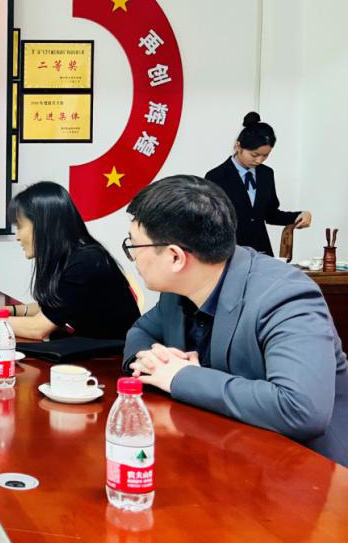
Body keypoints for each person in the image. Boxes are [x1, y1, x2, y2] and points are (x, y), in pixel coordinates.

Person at [123, 175, 346, 465]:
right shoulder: (177, 289)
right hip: (222, 452)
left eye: (134, 247)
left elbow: (302, 409)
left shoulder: (284, 295)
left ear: (175, 257)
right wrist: (152, 360)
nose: (133, 258)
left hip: (304, 469)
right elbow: (141, 331)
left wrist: (181, 377)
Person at [0, 181, 140, 340]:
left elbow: (38, 329)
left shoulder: (85, 263)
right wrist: (3, 311)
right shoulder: (73, 256)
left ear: (43, 225)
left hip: (112, 357)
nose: (17, 236)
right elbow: (53, 308)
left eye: (20, 226)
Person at [204, 111, 311, 255]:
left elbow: (271, 214)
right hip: (230, 253)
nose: (259, 160)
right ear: (238, 146)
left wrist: (299, 215)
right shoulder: (216, 176)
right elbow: (209, 222)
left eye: (265, 155)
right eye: (254, 155)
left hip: (261, 252)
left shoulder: (266, 174)